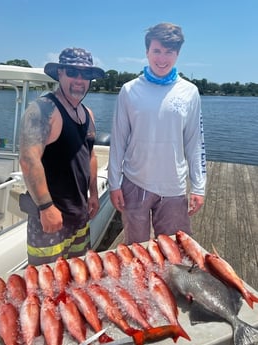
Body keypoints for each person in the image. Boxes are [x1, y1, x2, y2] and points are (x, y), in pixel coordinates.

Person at [108, 22, 206, 244]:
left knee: (173, 251)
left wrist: (198, 187)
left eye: (169, 52)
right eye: (156, 51)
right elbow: (119, 140)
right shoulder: (129, 90)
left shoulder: (190, 92)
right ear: (147, 52)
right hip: (135, 183)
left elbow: (195, 143)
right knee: (136, 251)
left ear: (178, 53)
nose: (162, 59)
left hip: (173, 187)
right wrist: (114, 183)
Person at [19, 47, 105, 265]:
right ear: (60, 73)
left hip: (80, 215)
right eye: (72, 72)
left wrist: (93, 193)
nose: (79, 79)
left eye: (85, 74)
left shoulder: (88, 113)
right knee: (46, 287)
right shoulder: (43, 109)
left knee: (77, 279)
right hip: (50, 218)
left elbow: (90, 155)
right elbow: (28, 160)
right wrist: (46, 208)